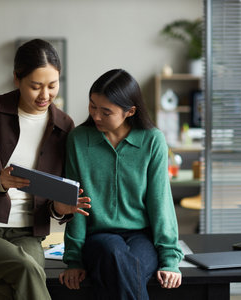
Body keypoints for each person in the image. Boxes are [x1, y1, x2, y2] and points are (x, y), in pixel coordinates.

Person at [0, 39, 91, 300]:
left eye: (52, 86)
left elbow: (53, 199)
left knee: (22, 282)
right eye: (35, 86)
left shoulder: (64, 126)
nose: (45, 95)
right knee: (28, 270)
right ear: (17, 78)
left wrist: (60, 209)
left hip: (28, 234)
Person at [59, 69, 183, 299]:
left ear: (130, 111)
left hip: (141, 238)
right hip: (99, 239)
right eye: (92, 106)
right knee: (113, 251)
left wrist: (169, 260)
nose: (96, 116)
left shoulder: (152, 140)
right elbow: (75, 204)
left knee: (124, 269)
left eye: (106, 112)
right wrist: (74, 259)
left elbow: (160, 202)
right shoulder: (78, 140)